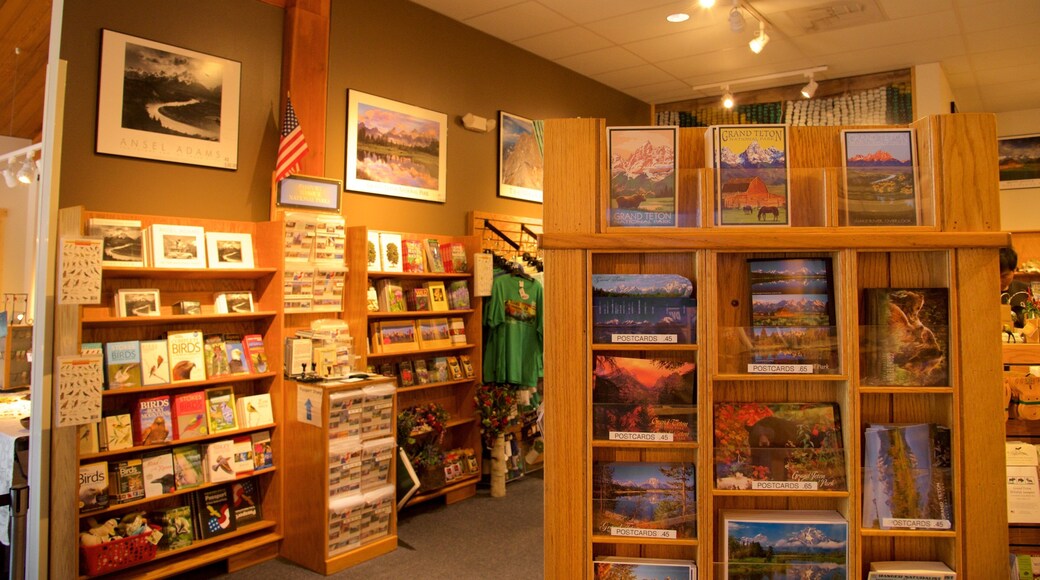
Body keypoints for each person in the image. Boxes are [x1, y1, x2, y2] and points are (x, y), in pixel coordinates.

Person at [1001, 246, 1030, 328]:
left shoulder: (1026, 290)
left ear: (1014, 270)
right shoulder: (983, 293)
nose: (999, 281)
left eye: (1004, 276)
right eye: (995, 275)